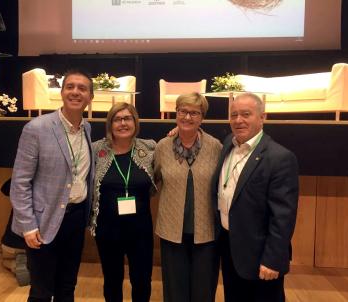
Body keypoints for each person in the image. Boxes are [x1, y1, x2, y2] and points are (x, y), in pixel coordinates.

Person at [10, 69, 95, 302]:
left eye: (82, 88)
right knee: (41, 290)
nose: (75, 92)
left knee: (67, 286)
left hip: (76, 219)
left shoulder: (86, 129)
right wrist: (28, 225)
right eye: (70, 87)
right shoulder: (37, 128)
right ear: (62, 92)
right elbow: (20, 182)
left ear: (90, 97)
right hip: (43, 223)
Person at [212, 92, 299, 302]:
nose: (238, 120)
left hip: (261, 257)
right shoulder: (227, 145)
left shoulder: (280, 158)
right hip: (231, 248)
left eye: (246, 114)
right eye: (234, 115)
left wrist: (273, 259)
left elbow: (283, 217)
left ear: (262, 117)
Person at [154, 92, 222, 302]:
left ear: (202, 117)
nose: (187, 117)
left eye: (194, 113)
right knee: (175, 291)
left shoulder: (215, 147)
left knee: (203, 291)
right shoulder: (162, 147)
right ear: (176, 113)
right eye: (183, 111)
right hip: (171, 230)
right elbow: (153, 181)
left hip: (206, 231)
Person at [90, 102, 156, 302]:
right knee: (112, 279)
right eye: (117, 119)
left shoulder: (150, 148)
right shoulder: (96, 150)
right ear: (110, 124)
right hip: (107, 229)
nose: (123, 123)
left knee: (142, 280)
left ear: (135, 122)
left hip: (140, 229)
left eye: (127, 118)